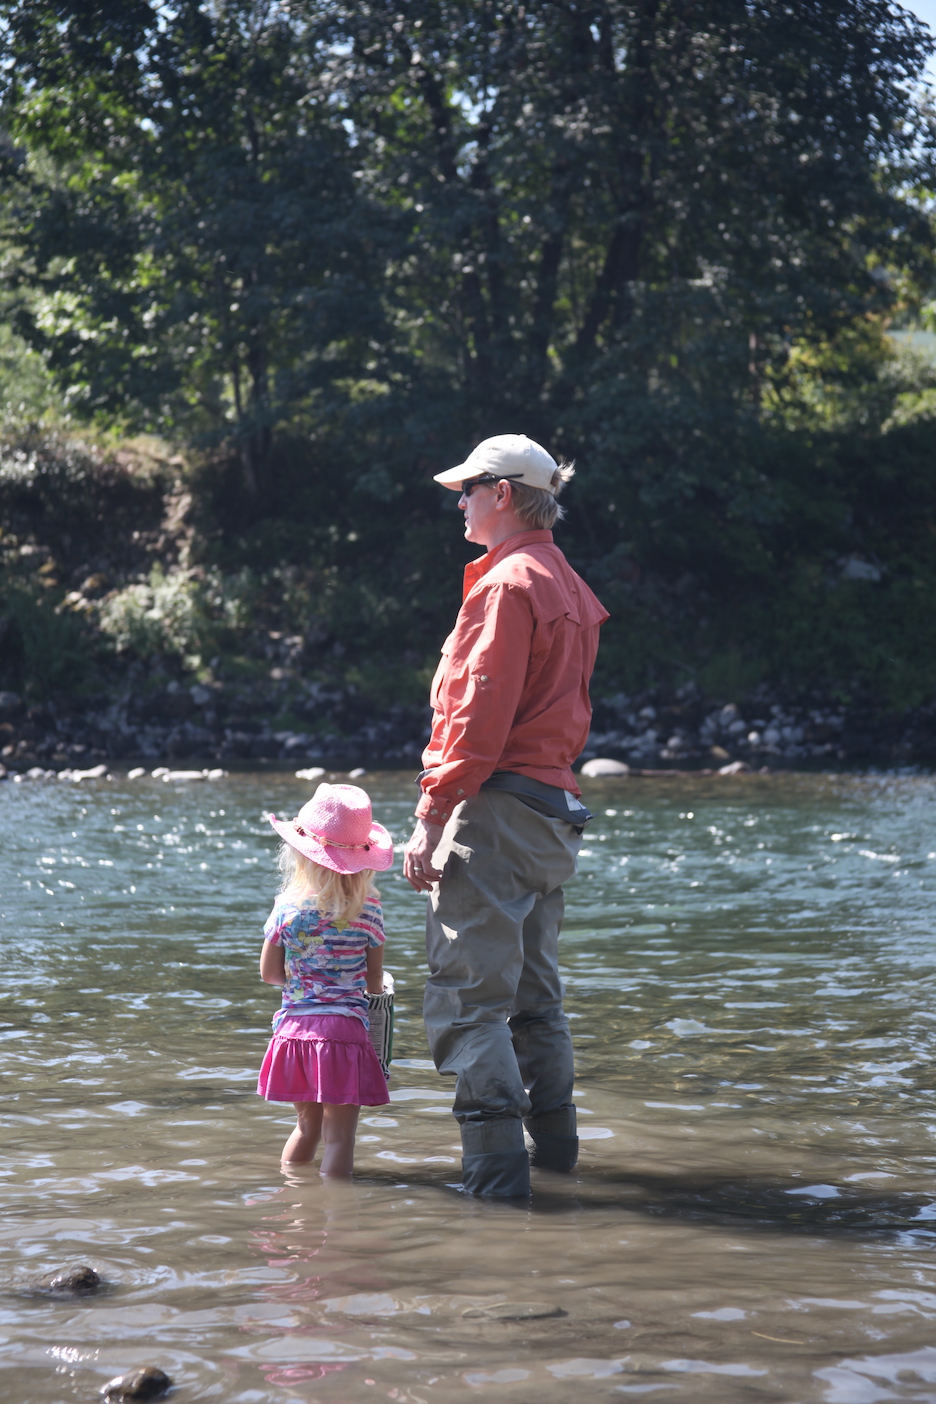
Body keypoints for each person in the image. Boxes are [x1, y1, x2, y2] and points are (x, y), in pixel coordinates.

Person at [403, 433, 608, 1199]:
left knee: (468, 997)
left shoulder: (505, 586)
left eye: (467, 489)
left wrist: (430, 817)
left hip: (497, 812)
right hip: (553, 813)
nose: (459, 501)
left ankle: (495, 1192)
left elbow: (478, 720)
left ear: (503, 494)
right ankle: (557, 1161)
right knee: (534, 999)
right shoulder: (568, 584)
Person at [258, 782, 394, 1176]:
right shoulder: (369, 912)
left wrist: (305, 980)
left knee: (306, 1129)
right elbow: (372, 982)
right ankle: (336, 1221)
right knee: (340, 1139)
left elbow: (269, 974)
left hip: (295, 1034)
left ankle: (294, 1203)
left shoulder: (286, 909)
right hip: (342, 1036)